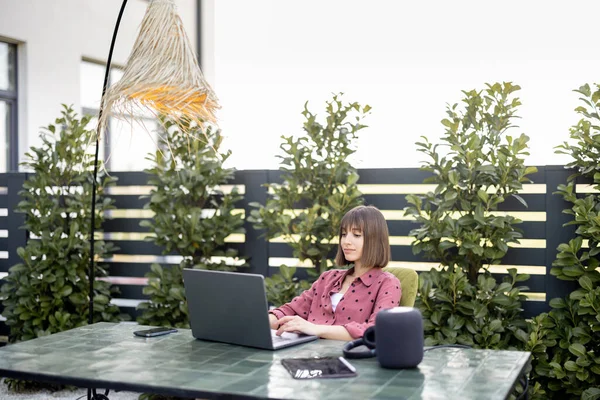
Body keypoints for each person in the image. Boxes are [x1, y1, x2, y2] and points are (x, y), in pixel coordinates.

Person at [268, 205, 402, 341]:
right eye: (344, 234)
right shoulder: (328, 278)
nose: (346, 241)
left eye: (356, 235)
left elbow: (377, 330)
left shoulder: (388, 283)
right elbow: (291, 310)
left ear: (375, 240)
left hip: (347, 358)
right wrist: (261, 321)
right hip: (306, 354)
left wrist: (314, 329)